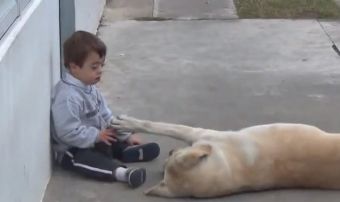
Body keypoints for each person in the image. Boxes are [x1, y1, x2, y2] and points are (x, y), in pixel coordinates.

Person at [51, 30, 160, 188]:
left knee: (111, 138)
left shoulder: (90, 88)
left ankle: (126, 151)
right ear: (74, 67)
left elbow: (106, 117)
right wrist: (96, 136)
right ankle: (121, 173)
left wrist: (125, 136)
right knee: (87, 159)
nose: (100, 70)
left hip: (96, 140)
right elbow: (67, 132)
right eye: (94, 67)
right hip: (72, 149)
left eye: (101, 65)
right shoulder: (67, 97)